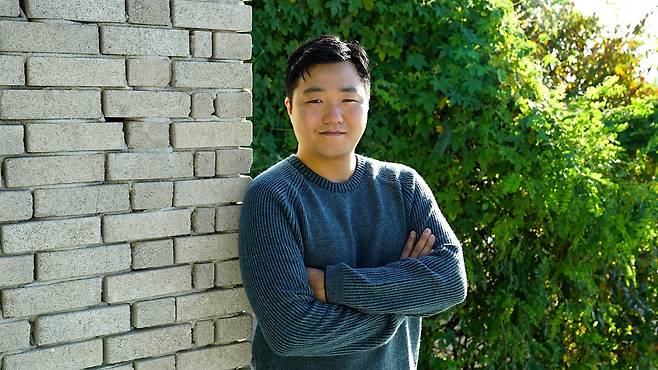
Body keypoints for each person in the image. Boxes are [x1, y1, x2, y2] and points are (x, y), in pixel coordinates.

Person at [238, 34, 467, 370]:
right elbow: (291, 332)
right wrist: (401, 304)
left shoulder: (404, 187)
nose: (333, 115)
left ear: (368, 104)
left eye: (348, 100)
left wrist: (331, 285)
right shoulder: (271, 196)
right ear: (290, 108)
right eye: (315, 101)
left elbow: (450, 282)